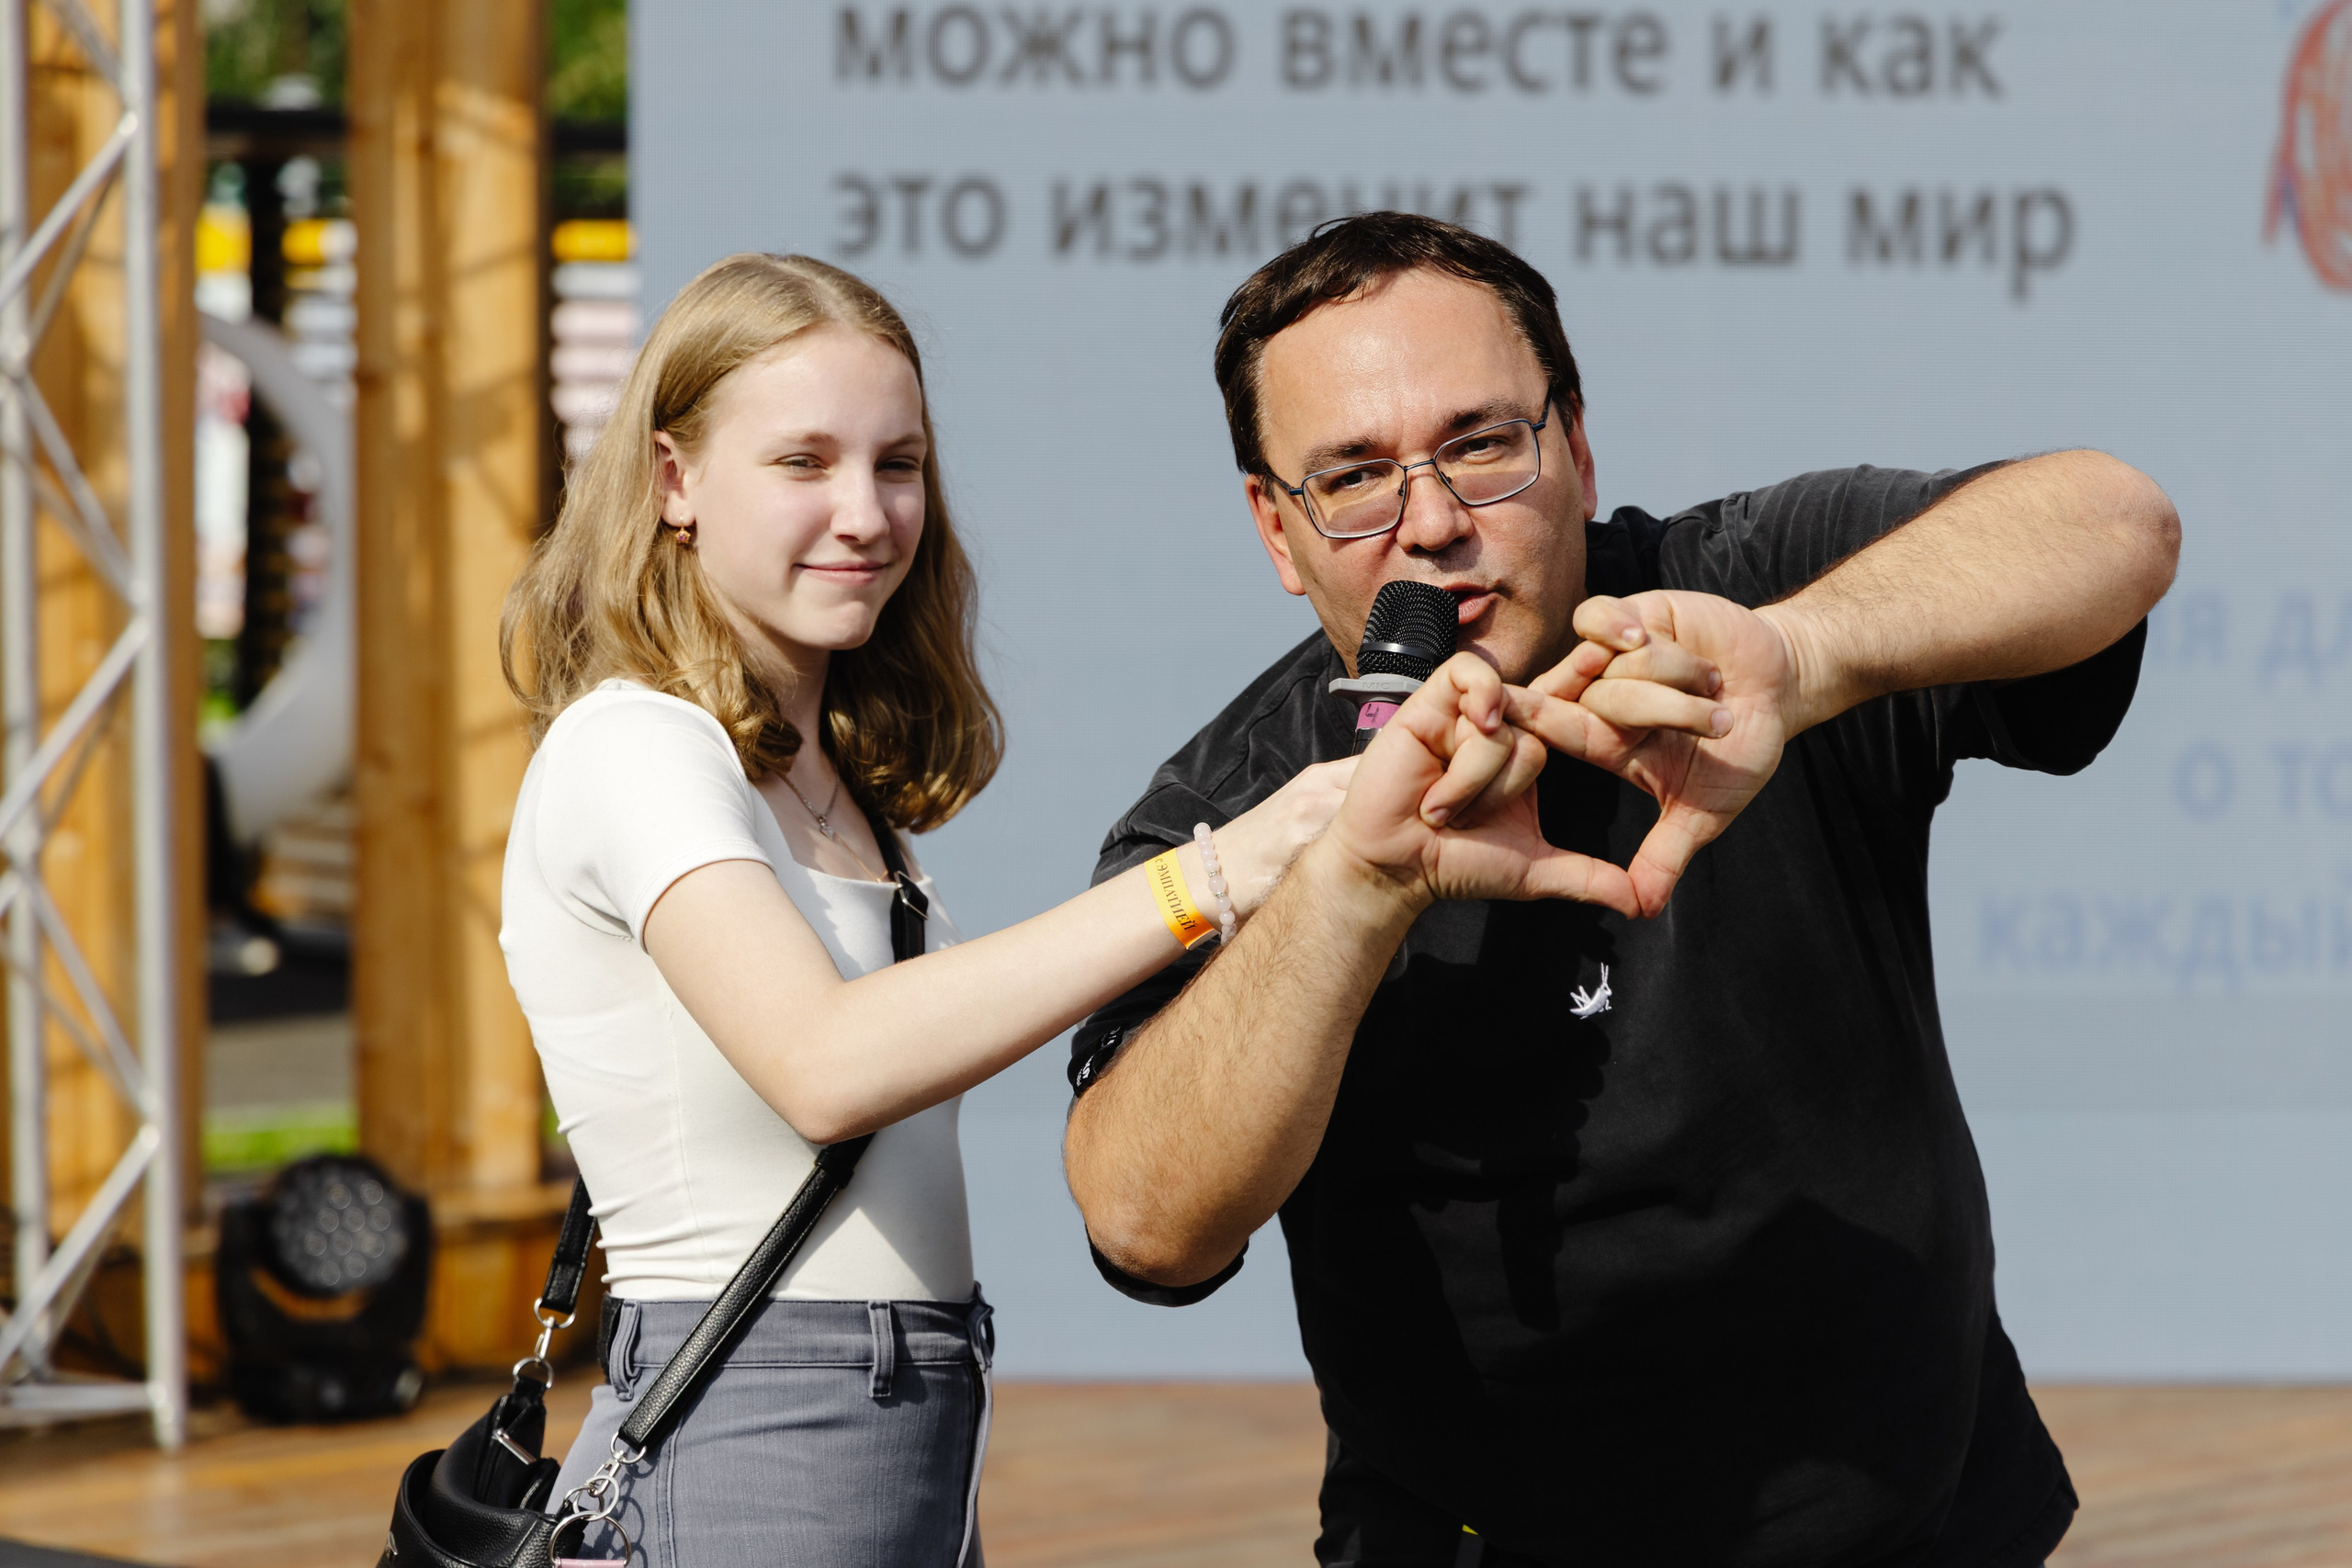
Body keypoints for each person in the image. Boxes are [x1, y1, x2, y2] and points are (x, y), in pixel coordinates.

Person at [494, 252, 1664, 1567]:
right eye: (803, 463)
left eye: (899, 464)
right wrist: (1222, 870)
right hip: (754, 1417)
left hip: (909, 1413)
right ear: (673, 481)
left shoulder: (821, 781)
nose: (866, 514)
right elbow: (825, 1067)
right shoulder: (633, 744)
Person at [1062, 213, 2181, 1568]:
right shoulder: (1228, 805)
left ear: (1576, 448)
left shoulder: (1736, 596)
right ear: (1276, 531)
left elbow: (2117, 524)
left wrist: (1800, 658)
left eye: (1481, 445)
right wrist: (1351, 888)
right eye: (1354, 477)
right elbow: (1145, 1222)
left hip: (1927, 1524)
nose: (1431, 526)